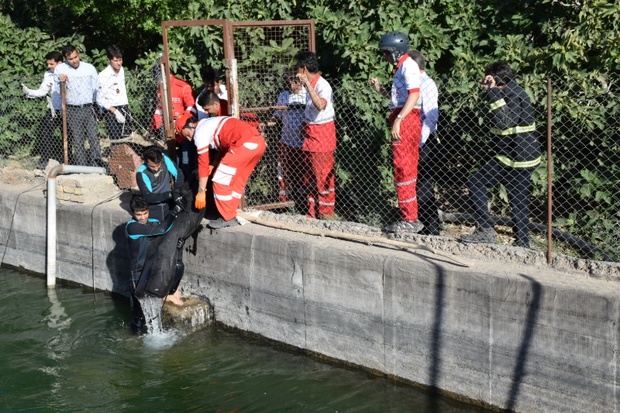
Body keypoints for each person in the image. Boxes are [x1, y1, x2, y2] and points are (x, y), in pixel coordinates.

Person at [460, 62, 541, 248]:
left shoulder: (511, 94)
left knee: (476, 182)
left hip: (516, 157)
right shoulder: (514, 90)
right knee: (517, 198)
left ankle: (485, 230)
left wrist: (493, 91)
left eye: (487, 77)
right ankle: (522, 243)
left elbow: (505, 121)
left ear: (495, 78)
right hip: (518, 155)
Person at [370, 32, 423, 234]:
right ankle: (409, 216)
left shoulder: (408, 66)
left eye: (386, 53)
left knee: (403, 168)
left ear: (395, 52)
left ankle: (409, 218)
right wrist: (380, 90)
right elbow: (398, 99)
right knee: (404, 168)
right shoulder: (401, 67)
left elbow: (414, 94)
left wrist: (399, 120)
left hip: (407, 119)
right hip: (404, 116)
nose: (384, 57)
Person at [176, 111, 266, 229]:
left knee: (220, 181)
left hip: (243, 145)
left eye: (185, 134)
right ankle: (232, 211)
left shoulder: (199, 132)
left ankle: (228, 217)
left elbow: (203, 162)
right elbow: (225, 145)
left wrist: (201, 191)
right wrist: (214, 164)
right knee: (236, 180)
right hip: (258, 143)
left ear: (191, 125)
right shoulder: (208, 123)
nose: (187, 139)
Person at [125, 195, 186, 332]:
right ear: (133, 214)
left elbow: (167, 234)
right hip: (137, 275)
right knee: (139, 316)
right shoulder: (132, 227)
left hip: (153, 269)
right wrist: (174, 212)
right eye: (138, 214)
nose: (143, 217)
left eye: (145, 213)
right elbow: (161, 230)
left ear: (148, 211)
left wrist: (177, 242)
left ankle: (169, 294)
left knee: (178, 267)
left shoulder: (154, 221)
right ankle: (133, 338)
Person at [294, 50, 337, 219]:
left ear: (304, 69)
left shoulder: (322, 85)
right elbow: (311, 111)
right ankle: (312, 212)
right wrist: (304, 125)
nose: (296, 72)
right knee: (310, 174)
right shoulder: (308, 86)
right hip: (311, 132)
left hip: (322, 133)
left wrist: (308, 85)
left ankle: (326, 212)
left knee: (322, 173)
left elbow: (320, 105)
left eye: (298, 68)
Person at [408, 50, 441, 236]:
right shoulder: (414, 84)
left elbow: (431, 116)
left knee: (423, 186)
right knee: (415, 184)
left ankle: (431, 227)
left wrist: (419, 142)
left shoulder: (427, 84)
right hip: (415, 140)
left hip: (424, 142)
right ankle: (422, 223)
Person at [54, 44, 101, 167]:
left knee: (94, 138)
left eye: (76, 57)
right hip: (72, 110)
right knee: (77, 140)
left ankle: (96, 165)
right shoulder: (60, 69)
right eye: (71, 59)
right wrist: (61, 80)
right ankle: (82, 168)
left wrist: (98, 107)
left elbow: (96, 88)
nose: (74, 61)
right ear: (65, 59)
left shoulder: (89, 68)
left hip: (88, 108)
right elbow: (59, 91)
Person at [149, 70, 196, 181]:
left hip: (184, 132)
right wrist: (152, 127)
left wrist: (180, 123)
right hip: (169, 131)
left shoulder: (183, 87)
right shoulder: (160, 87)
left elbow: (191, 108)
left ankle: (187, 185)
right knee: (174, 160)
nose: (160, 81)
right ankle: (177, 182)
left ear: (168, 75)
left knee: (186, 161)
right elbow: (159, 109)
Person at [22, 51, 64, 167]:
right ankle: (45, 159)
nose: (49, 66)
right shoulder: (48, 74)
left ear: (59, 63)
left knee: (67, 134)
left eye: (51, 64)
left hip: (67, 109)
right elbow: (43, 91)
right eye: (48, 64)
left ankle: (67, 159)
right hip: (53, 109)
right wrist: (29, 91)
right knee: (45, 131)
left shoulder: (68, 71)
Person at [272, 73, 307, 203]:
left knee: (302, 171)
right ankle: (284, 200)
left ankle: (302, 201)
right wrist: (267, 123)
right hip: (286, 140)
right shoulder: (283, 95)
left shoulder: (307, 95)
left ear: (300, 82)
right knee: (283, 170)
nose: (291, 85)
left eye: (294, 82)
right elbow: (277, 115)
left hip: (302, 142)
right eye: (289, 82)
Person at [136, 145, 185, 222]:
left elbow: (179, 174)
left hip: (170, 200)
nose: (156, 169)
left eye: (158, 165)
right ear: (145, 162)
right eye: (152, 166)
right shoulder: (141, 173)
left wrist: (177, 190)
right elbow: (148, 196)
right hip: (155, 205)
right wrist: (170, 194)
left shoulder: (164, 159)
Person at [97, 45, 131, 140]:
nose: (119, 63)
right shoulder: (103, 76)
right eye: (116, 61)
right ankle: (116, 154)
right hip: (112, 110)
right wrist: (114, 111)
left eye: (120, 60)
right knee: (116, 139)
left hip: (124, 106)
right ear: (109, 60)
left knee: (127, 138)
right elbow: (99, 98)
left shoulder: (122, 70)